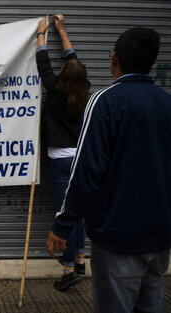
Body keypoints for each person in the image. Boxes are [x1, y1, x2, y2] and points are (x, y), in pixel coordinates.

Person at [46, 27, 171, 313]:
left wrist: (63, 224)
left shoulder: (105, 102)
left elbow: (86, 172)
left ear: (114, 59)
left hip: (118, 237)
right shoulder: (166, 104)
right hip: (160, 237)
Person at [36, 14, 89, 291]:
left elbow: (42, 62)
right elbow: (73, 61)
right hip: (79, 160)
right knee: (76, 211)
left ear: (63, 75)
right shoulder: (85, 92)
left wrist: (40, 34)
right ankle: (80, 258)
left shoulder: (56, 90)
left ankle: (69, 269)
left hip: (59, 162)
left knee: (65, 213)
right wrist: (61, 29)